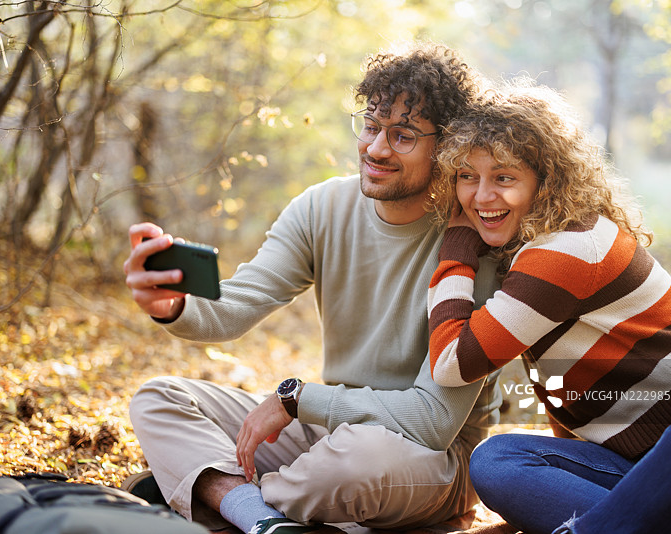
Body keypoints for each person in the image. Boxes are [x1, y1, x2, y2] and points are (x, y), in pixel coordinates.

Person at [121, 41, 503, 534]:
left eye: (403, 135)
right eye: (370, 126)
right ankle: (257, 513)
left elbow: (432, 421)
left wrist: (297, 398)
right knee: (160, 399)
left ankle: (221, 498)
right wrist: (174, 305)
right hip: (330, 429)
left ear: (448, 145)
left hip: (429, 456)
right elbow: (235, 305)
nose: (376, 148)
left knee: (355, 462)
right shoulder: (322, 207)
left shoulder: (475, 241)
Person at [426, 80, 671, 534]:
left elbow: (450, 362)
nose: (481, 197)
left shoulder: (567, 250)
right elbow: (566, 398)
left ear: (547, 180)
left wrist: (456, 249)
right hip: (642, 473)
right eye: (467, 176)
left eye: (503, 177)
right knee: (498, 461)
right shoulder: (529, 251)